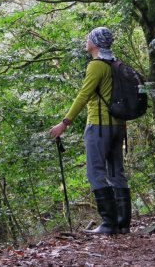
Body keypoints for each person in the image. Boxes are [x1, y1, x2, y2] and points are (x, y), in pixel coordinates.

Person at [49, 27, 131, 234]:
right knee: (116, 172)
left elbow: (83, 95)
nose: (86, 40)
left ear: (95, 43)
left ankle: (108, 224)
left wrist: (64, 123)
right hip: (119, 126)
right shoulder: (115, 63)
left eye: (89, 38)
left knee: (95, 172)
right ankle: (122, 224)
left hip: (99, 126)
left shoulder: (96, 65)